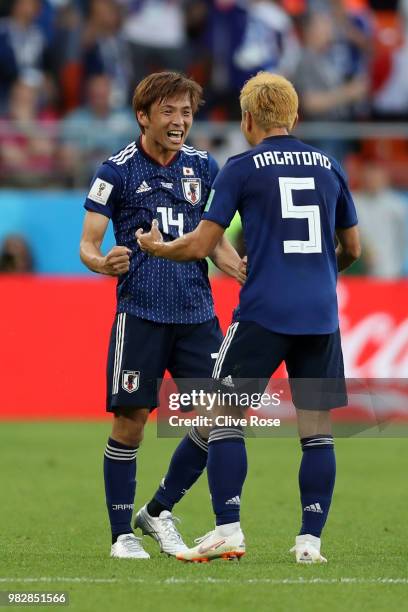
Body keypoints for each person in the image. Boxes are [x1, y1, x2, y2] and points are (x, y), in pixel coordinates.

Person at [137, 71, 361, 563]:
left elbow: (200, 244)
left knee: (222, 418)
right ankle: (309, 542)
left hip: (263, 311)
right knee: (317, 432)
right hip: (320, 314)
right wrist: (318, 274)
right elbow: (353, 248)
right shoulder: (329, 165)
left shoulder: (242, 167)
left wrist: (157, 247)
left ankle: (228, 528)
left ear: (248, 119)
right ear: (295, 115)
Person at [79, 71, 245, 560]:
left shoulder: (204, 167)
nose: (179, 122)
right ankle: (121, 535)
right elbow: (88, 244)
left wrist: (239, 268)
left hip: (197, 315)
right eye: (169, 112)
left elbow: (213, 239)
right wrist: (103, 262)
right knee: (131, 422)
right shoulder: (116, 171)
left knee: (221, 416)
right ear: (143, 116)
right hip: (142, 313)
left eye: (187, 112)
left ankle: (157, 509)